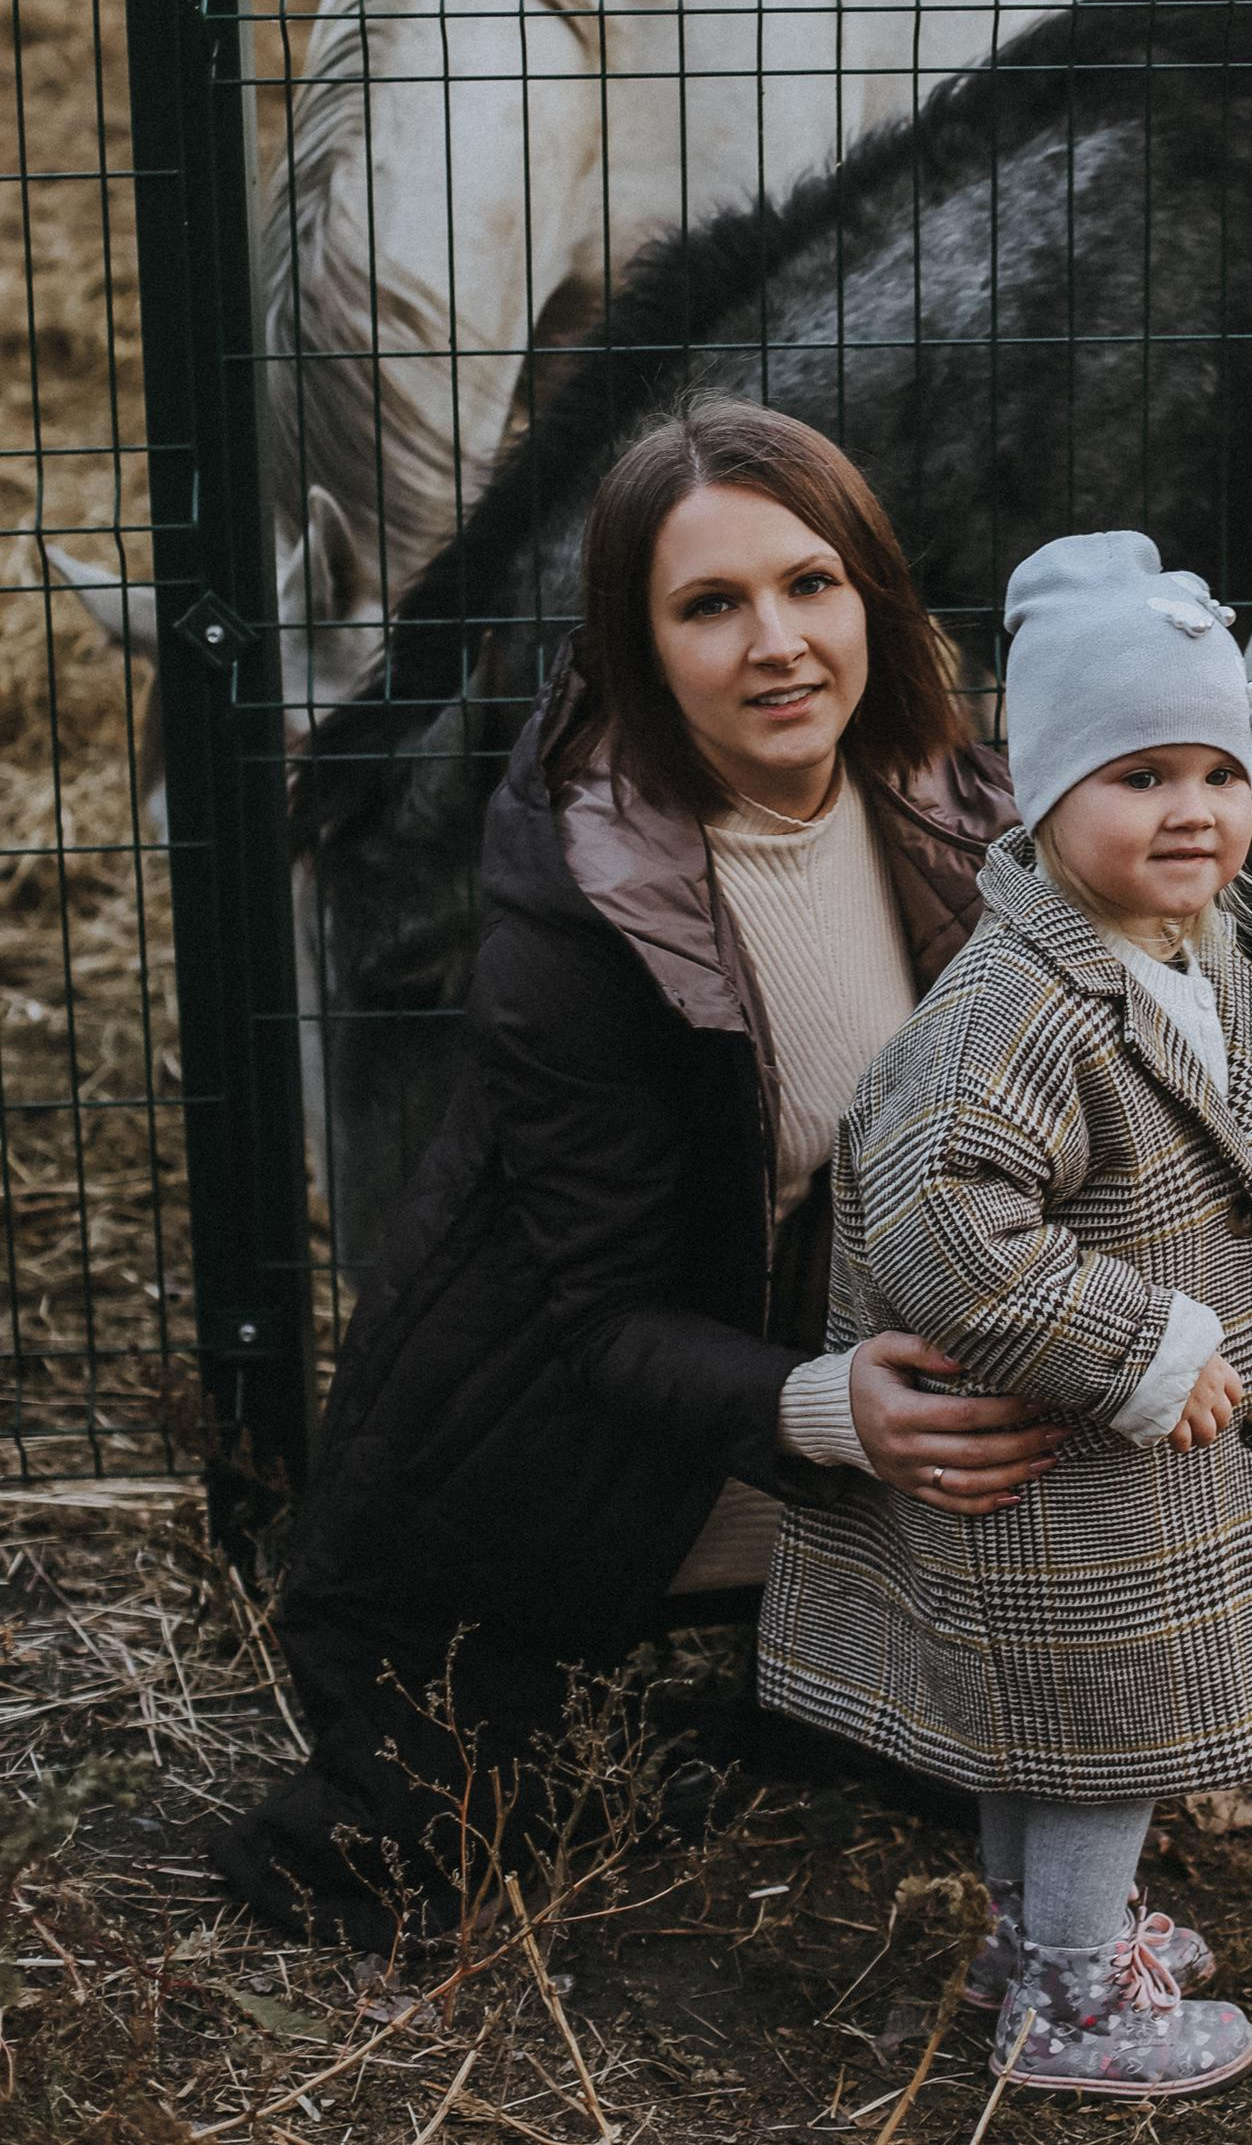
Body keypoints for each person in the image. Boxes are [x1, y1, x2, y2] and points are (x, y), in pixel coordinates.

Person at [213, 397, 1057, 1948]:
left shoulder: (951, 800)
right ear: (637, 644)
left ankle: (838, 1666)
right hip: (573, 1455)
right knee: (418, 1860)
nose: (779, 642)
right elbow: (602, 1317)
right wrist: (840, 1410)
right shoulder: (585, 905)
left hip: (845, 1426)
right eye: (710, 604)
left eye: (811, 583)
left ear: (874, 593)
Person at [754, 529, 1252, 2097]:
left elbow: (1226, 1116)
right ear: (1043, 794)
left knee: (1060, 1714)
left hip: (1116, 1454)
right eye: (1140, 775)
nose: (1193, 810)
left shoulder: (1188, 954)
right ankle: (1075, 1997)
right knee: (1104, 1718)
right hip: (1060, 1450)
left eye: (1218, 772)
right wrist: (1144, 1345)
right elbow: (949, 1224)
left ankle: (1038, 1938)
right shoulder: (1012, 1010)